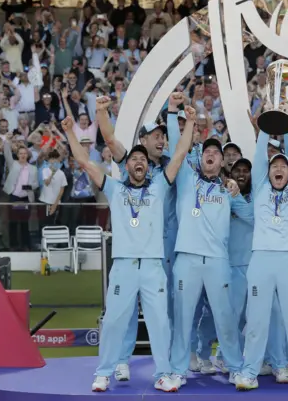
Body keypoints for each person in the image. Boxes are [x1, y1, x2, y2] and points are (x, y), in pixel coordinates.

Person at [61, 114, 193, 392]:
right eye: (134, 158)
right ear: (126, 165)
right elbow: (85, 161)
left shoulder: (159, 186)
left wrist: (190, 122)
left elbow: (180, 153)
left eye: (143, 159)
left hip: (153, 267)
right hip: (123, 267)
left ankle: (162, 373)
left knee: (160, 323)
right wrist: (69, 132)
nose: (139, 162)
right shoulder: (114, 188)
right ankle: (103, 372)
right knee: (112, 322)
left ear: (147, 166)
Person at [166, 102, 250, 387]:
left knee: (225, 318)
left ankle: (235, 367)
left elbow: (251, 216)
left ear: (222, 161)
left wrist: (237, 194)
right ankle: (178, 371)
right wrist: (179, 116)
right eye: (208, 152)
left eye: (217, 152)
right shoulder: (187, 178)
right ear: (200, 157)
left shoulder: (228, 189)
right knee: (183, 317)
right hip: (187, 259)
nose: (212, 154)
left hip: (217, 261)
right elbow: (178, 148)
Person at [95, 95, 176, 381]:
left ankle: (170, 364)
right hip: (133, 245)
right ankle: (121, 360)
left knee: (161, 310)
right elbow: (108, 137)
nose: (160, 140)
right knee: (125, 309)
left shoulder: (167, 165)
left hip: (162, 244)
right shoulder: (132, 161)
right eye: (155, 135)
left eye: (163, 136)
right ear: (143, 138)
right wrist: (102, 112)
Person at [235, 122, 288, 391]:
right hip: (261, 259)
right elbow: (259, 157)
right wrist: (265, 127)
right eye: (274, 166)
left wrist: (287, 123)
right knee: (256, 319)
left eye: (283, 166)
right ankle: (249, 372)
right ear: (267, 172)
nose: (278, 169)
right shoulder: (259, 189)